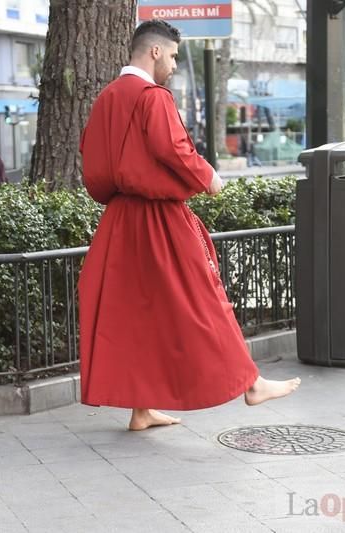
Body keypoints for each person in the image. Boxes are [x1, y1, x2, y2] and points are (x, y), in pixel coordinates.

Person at [78, 19, 300, 431]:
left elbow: (92, 159)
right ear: (155, 52)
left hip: (119, 220)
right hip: (158, 217)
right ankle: (250, 384)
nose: (176, 65)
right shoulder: (152, 96)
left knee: (136, 311)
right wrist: (208, 175)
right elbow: (172, 148)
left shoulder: (106, 98)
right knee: (203, 298)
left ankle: (141, 409)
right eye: (175, 56)